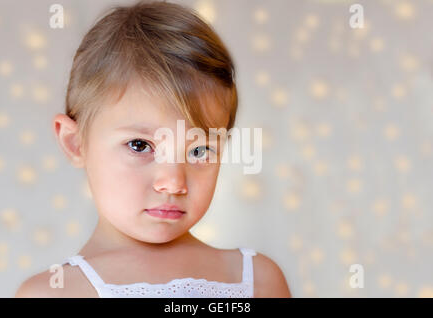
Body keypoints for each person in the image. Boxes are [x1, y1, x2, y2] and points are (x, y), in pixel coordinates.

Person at [15, 0, 291, 298]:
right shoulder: (53, 293)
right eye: (140, 145)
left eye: (199, 151)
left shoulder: (258, 281)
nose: (173, 182)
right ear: (75, 142)